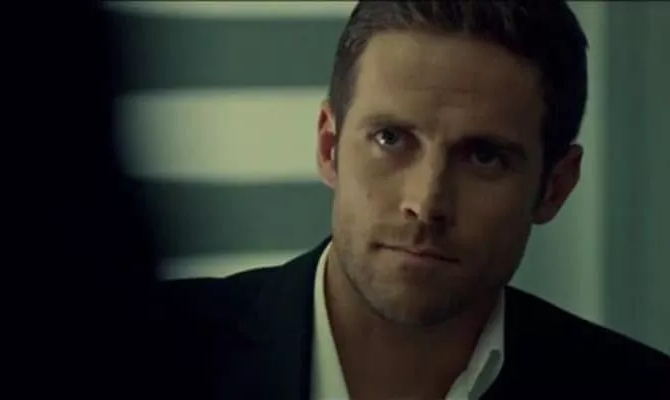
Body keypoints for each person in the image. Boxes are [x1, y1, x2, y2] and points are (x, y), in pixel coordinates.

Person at [154, 1, 670, 399]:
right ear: (329, 146)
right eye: (391, 139)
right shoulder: (139, 356)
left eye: (484, 156)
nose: (425, 203)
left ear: (554, 187)